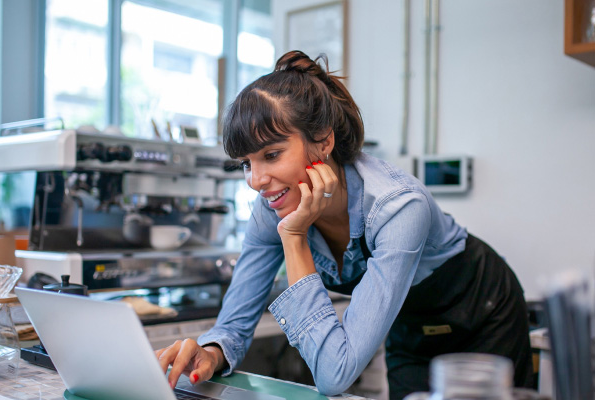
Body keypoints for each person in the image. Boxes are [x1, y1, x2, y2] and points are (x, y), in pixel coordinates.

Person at [155, 50, 533, 400]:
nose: (255, 180)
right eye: (246, 163)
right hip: (409, 323)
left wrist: (294, 236)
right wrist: (211, 351)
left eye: (271, 155)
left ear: (323, 142)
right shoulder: (271, 207)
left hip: (483, 310)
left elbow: (334, 373)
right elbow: (233, 328)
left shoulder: (397, 207)